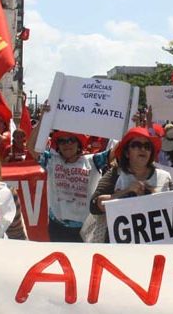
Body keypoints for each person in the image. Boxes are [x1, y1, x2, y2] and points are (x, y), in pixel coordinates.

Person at [27, 103, 111, 242]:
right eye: (62, 141)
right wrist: (43, 119)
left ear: (79, 145)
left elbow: (118, 151)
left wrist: (134, 125)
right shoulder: (51, 161)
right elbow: (30, 146)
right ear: (58, 146)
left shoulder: (93, 161)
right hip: (57, 227)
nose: (67, 144)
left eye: (71, 140)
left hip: (85, 229)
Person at [89, 126, 173, 242]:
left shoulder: (165, 177)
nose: (143, 149)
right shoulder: (116, 174)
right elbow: (94, 206)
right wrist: (126, 191)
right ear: (127, 153)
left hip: (154, 244)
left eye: (147, 146)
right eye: (137, 145)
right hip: (120, 245)